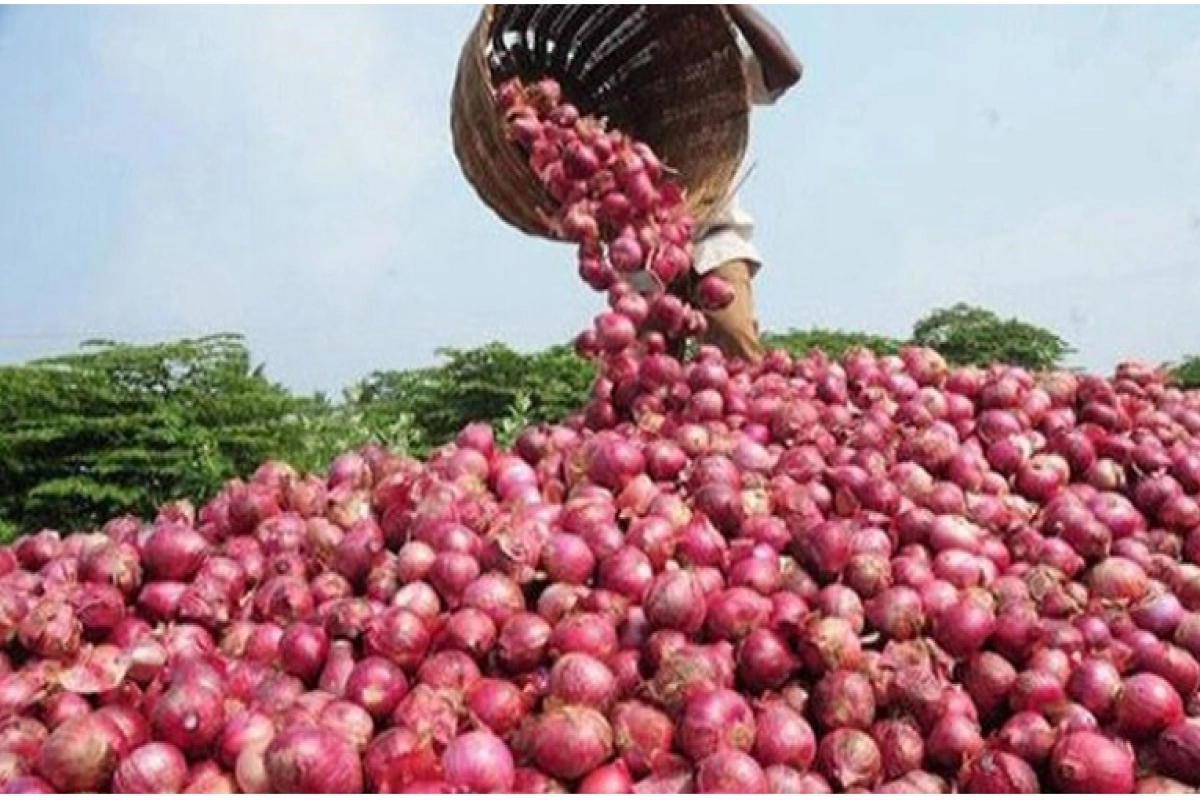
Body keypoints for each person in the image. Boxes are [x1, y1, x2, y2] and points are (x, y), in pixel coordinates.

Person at [689, 5, 802, 364]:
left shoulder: (723, 66)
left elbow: (786, 71)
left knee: (737, 354)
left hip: (712, 241)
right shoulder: (624, 78)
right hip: (646, 253)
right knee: (636, 381)